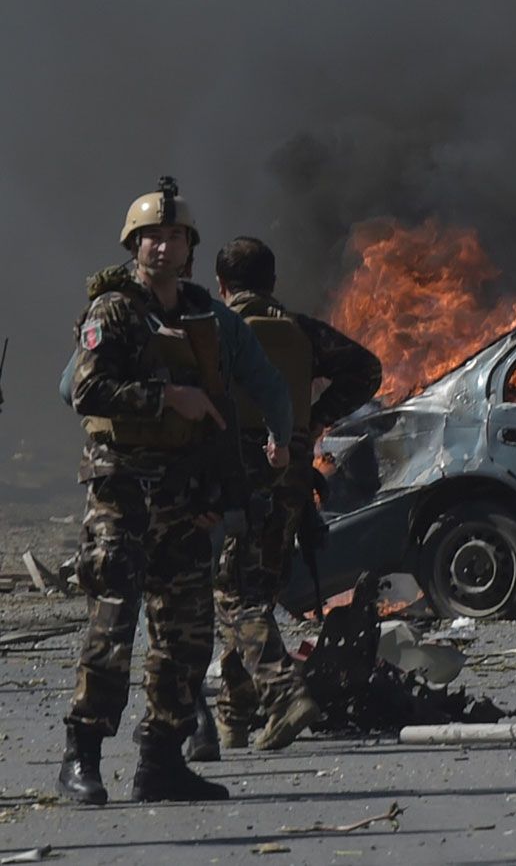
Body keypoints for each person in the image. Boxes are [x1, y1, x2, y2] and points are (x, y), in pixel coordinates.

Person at [57, 178, 292, 806]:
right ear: (134, 244)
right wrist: (166, 398)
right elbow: (85, 391)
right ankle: (82, 755)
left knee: (187, 634)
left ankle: (161, 760)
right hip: (123, 490)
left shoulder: (202, 316)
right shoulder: (114, 310)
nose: (163, 246)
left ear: (190, 249)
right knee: (113, 623)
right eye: (151, 237)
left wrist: (221, 485)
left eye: (175, 237)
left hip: (185, 497)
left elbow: (228, 401)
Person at [211, 236, 382, 752]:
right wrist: (314, 420)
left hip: (232, 479)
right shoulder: (300, 331)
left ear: (221, 285)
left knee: (235, 595)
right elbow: (367, 370)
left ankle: (285, 696)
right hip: (288, 479)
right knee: (255, 593)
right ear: (273, 282)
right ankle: (234, 716)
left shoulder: (214, 329)